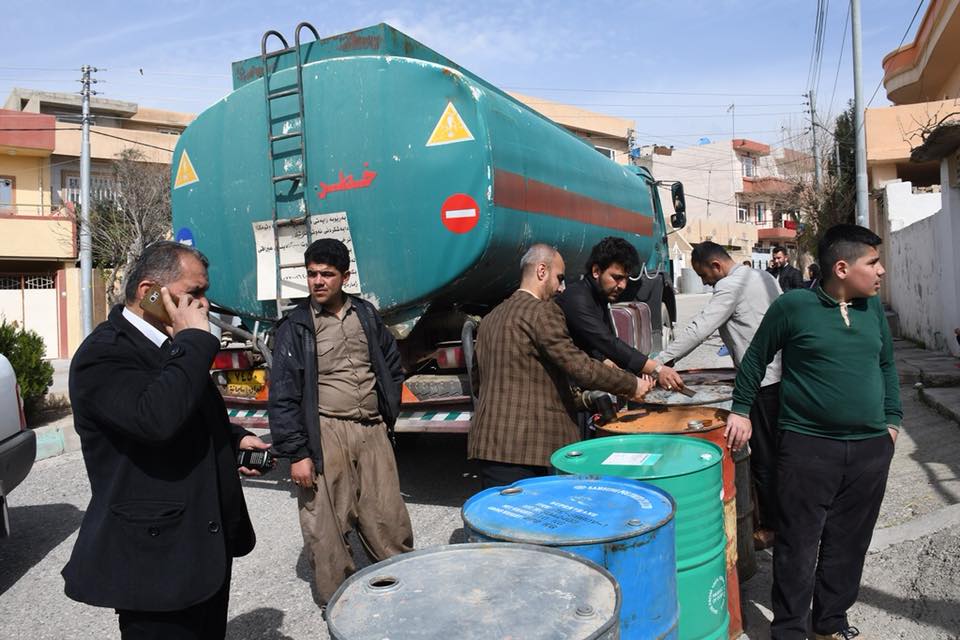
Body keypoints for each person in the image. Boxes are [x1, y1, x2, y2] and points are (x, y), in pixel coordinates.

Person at [63, 241, 269, 639]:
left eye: (204, 293)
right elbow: (154, 420)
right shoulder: (103, 355)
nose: (204, 305)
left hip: (203, 552)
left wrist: (234, 439)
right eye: (193, 294)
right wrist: (195, 342)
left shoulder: (170, 343)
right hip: (156, 565)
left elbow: (187, 409)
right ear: (148, 293)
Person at [726, 224, 901, 640]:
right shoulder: (794, 307)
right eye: (873, 263)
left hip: (869, 450)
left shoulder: (872, 309)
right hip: (808, 448)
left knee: (849, 543)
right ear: (842, 267)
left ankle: (829, 624)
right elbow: (755, 360)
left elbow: (887, 366)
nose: (881, 272)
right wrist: (740, 410)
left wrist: (892, 422)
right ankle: (788, 630)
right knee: (798, 546)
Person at [268, 238, 413, 608]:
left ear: (344, 276)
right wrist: (297, 453)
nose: (318, 281)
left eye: (327, 275)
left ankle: (404, 594)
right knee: (326, 529)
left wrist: (389, 407)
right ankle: (340, 607)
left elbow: (391, 363)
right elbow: (283, 395)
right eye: (312, 274)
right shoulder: (295, 327)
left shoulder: (364, 314)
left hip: (371, 430)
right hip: (325, 432)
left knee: (387, 518)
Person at [468, 244, 654, 489]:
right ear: (541, 271)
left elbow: (478, 380)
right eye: (559, 278)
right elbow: (578, 366)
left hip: (489, 443)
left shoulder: (490, 318)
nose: (561, 287)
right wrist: (632, 384)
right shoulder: (543, 312)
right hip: (528, 448)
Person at [652, 241, 782, 546]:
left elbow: (700, 328)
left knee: (764, 457)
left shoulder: (731, 285)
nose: (708, 283)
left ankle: (773, 527)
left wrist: (659, 362)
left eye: (706, 276)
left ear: (716, 266)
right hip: (784, 373)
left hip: (763, 381)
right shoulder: (764, 277)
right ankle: (787, 518)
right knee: (782, 453)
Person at [556, 236, 684, 389]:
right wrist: (656, 369)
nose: (622, 285)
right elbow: (607, 341)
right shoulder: (577, 299)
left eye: (626, 279)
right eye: (617, 278)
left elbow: (597, 346)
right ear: (596, 271)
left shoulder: (598, 295)